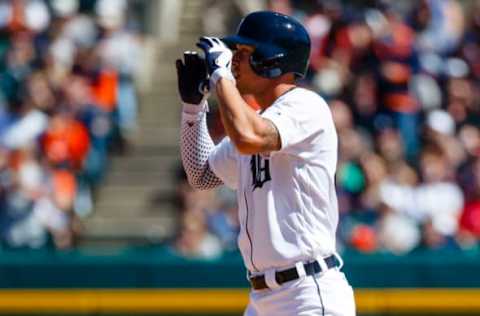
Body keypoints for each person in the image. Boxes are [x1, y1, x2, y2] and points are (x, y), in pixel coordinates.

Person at [176, 10, 355, 316]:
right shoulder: (256, 121)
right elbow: (202, 175)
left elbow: (249, 137)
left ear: (272, 60)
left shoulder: (306, 105)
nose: (233, 61)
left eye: (243, 52)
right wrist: (193, 108)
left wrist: (221, 77)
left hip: (308, 293)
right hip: (263, 299)